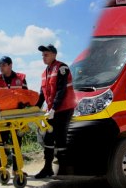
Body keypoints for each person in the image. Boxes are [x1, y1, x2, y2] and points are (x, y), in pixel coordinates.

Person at [35, 44, 76, 178]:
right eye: (42, 55)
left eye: (46, 54)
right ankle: (48, 168)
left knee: (60, 137)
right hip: (52, 110)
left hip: (64, 108)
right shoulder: (44, 73)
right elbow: (42, 95)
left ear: (54, 54)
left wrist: (54, 109)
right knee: (48, 138)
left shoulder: (62, 68)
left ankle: (63, 168)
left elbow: (61, 90)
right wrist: (35, 109)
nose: (43, 57)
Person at [0, 56, 28, 181]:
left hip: (17, 116)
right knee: (0, 144)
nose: (1, 67)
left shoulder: (21, 78)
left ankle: (17, 170)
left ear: (10, 65)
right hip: (2, 117)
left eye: (3, 65)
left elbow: (26, 95)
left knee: (17, 143)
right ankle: (0, 170)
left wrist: (24, 103)